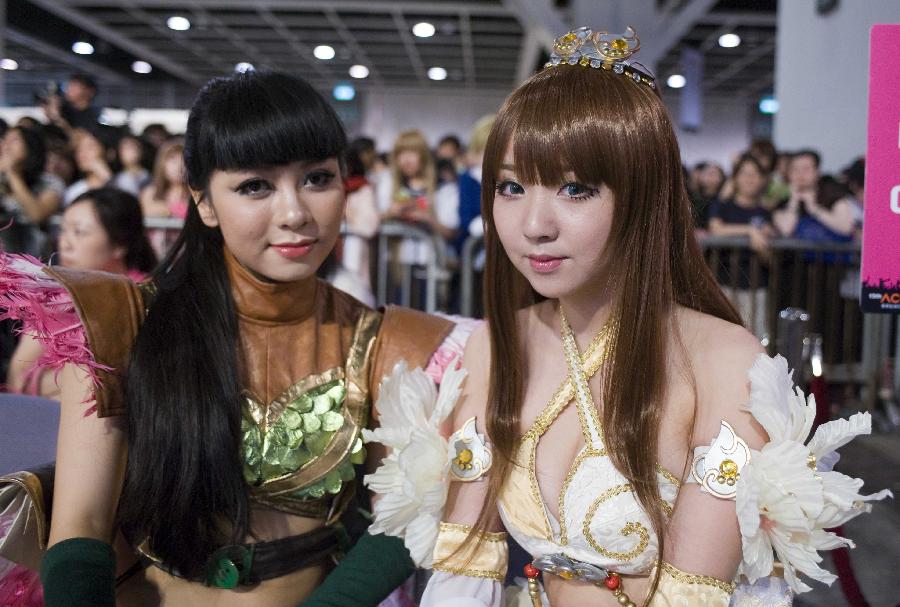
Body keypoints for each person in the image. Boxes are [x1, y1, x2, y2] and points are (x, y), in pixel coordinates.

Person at [362, 26, 890, 607]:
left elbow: (693, 595)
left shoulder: (725, 362)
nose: (534, 223)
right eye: (511, 186)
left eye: (576, 188)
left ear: (646, 197)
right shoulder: (494, 347)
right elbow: (466, 564)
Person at [0, 71, 474, 607]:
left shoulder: (393, 343)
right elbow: (80, 523)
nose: (295, 212)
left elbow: (400, 514)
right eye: (256, 186)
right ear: (203, 203)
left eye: (317, 178)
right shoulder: (120, 322)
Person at [6, 187, 157, 398]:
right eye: (64, 230)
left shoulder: (146, 301)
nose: (65, 242)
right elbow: (19, 377)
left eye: (79, 232)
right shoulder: (51, 299)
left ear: (119, 244)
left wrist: (59, 382)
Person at [707, 154, 774, 339]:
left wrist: (764, 247)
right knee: (723, 335)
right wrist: (749, 230)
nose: (749, 179)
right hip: (725, 283)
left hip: (756, 285)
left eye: (754, 174)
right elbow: (716, 229)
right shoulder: (722, 206)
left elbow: (768, 256)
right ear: (735, 178)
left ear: (762, 180)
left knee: (755, 337)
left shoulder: (765, 212)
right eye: (744, 173)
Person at [324, 143, 380, 305]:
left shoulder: (363, 190)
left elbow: (370, 226)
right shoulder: (323, 191)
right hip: (329, 262)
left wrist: (347, 212)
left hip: (353, 259)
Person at [0, 126, 64, 255]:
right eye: (4, 140)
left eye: (14, 140)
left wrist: (12, 174)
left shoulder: (50, 182)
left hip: (32, 256)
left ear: (30, 146)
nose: (6, 145)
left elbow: (37, 215)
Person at [64, 128, 114, 205]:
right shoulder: (73, 192)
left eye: (90, 147)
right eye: (78, 149)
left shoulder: (124, 183)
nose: (82, 154)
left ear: (109, 153)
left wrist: (106, 177)